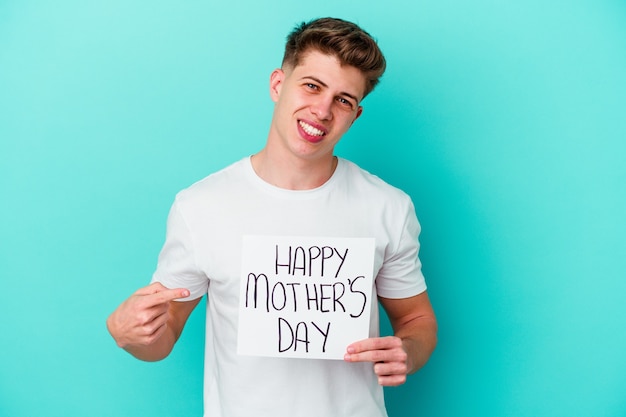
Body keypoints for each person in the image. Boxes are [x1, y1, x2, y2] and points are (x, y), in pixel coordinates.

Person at [107, 17, 437, 417]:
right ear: (278, 84)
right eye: (312, 86)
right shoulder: (202, 205)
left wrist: (408, 351)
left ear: (355, 115)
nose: (322, 110)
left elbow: (417, 319)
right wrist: (130, 335)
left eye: (343, 100)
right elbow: (163, 336)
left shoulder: (388, 206)